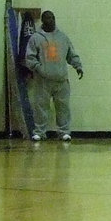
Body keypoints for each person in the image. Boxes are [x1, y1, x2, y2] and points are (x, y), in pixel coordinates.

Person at [23, 10, 84, 141]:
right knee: (41, 107)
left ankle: (64, 132)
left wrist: (78, 66)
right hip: (43, 80)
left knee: (63, 107)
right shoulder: (36, 38)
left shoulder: (63, 37)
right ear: (43, 21)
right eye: (47, 19)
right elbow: (30, 58)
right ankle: (39, 132)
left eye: (52, 18)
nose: (50, 21)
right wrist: (39, 68)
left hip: (61, 80)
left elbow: (71, 54)